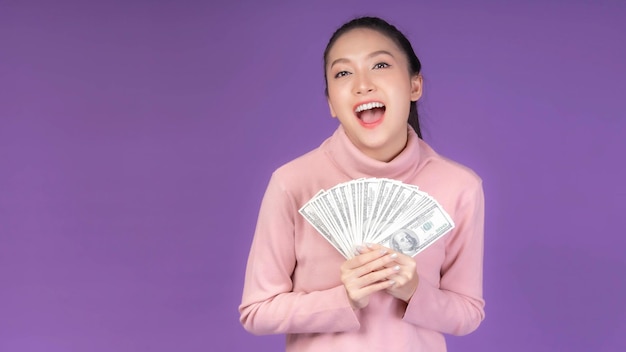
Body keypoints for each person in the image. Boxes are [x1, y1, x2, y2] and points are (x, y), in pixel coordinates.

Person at [239, 16, 485, 352]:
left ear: (415, 85)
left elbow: (468, 313)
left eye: (380, 64)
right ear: (330, 103)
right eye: (343, 73)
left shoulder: (459, 186)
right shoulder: (292, 183)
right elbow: (256, 311)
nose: (362, 84)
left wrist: (414, 291)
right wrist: (343, 299)